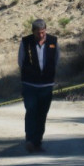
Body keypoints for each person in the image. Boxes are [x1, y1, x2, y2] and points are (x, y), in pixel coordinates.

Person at [19, 18, 58, 153]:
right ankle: (29, 140)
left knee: (42, 114)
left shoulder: (53, 41)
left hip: (46, 85)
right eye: (38, 33)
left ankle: (37, 143)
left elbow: (56, 60)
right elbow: (21, 61)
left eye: (43, 32)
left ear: (45, 30)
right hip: (30, 85)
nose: (41, 35)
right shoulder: (26, 42)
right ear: (33, 32)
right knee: (31, 111)